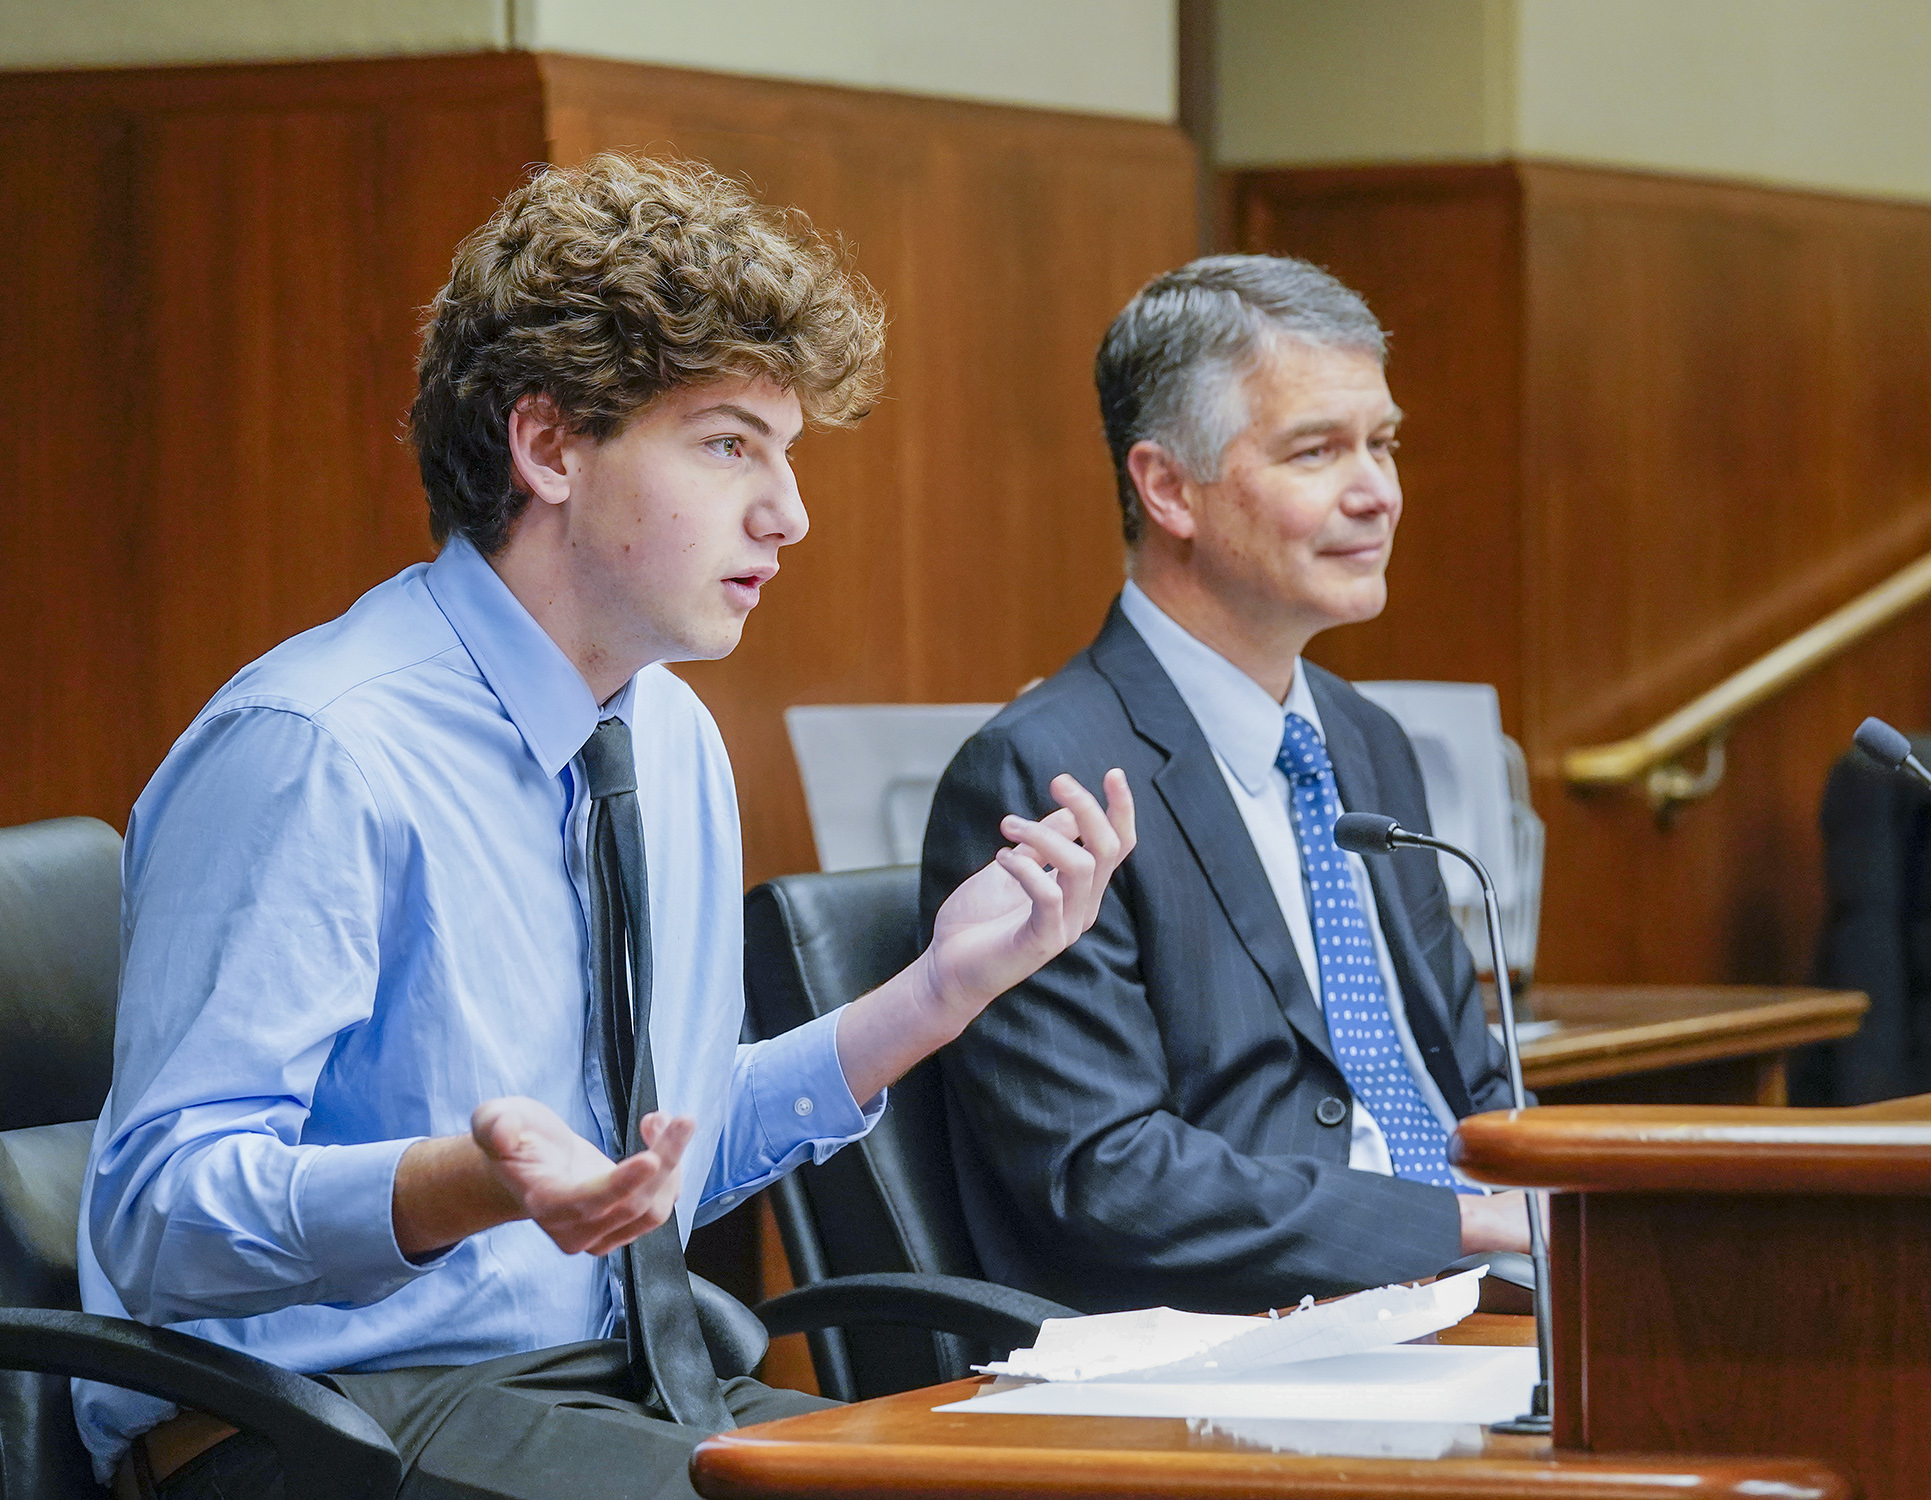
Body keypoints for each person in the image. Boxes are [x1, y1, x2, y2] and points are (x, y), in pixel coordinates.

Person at [75, 154, 1135, 1500]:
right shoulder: (318, 747)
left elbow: (650, 1162)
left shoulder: (665, 733)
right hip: (322, 1424)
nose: (788, 514)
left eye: (787, 454)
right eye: (727, 445)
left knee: (1043, 1477)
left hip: (621, 1384)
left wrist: (938, 992)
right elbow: (160, 1214)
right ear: (550, 445)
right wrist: (467, 1184)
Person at [919, 254, 1530, 1318]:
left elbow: (1472, 1084)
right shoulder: (1042, 770)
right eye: (1316, 451)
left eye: (1383, 444)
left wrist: (1590, 1201)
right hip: (1260, 1333)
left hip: (1484, 1288)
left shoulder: (1369, 738)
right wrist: (1454, 1223)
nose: (1377, 491)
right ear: (1167, 488)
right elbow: (1107, 1176)